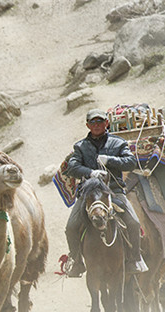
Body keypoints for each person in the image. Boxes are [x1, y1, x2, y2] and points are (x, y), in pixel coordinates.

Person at [64, 108, 147, 277]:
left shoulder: (118, 143)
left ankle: (135, 259)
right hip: (88, 194)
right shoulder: (80, 146)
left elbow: (130, 162)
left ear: (106, 123)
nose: (96, 125)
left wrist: (110, 160)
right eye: (93, 122)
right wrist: (90, 172)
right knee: (71, 227)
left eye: (100, 121)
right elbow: (71, 167)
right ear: (87, 125)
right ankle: (77, 262)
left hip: (114, 191)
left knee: (133, 222)